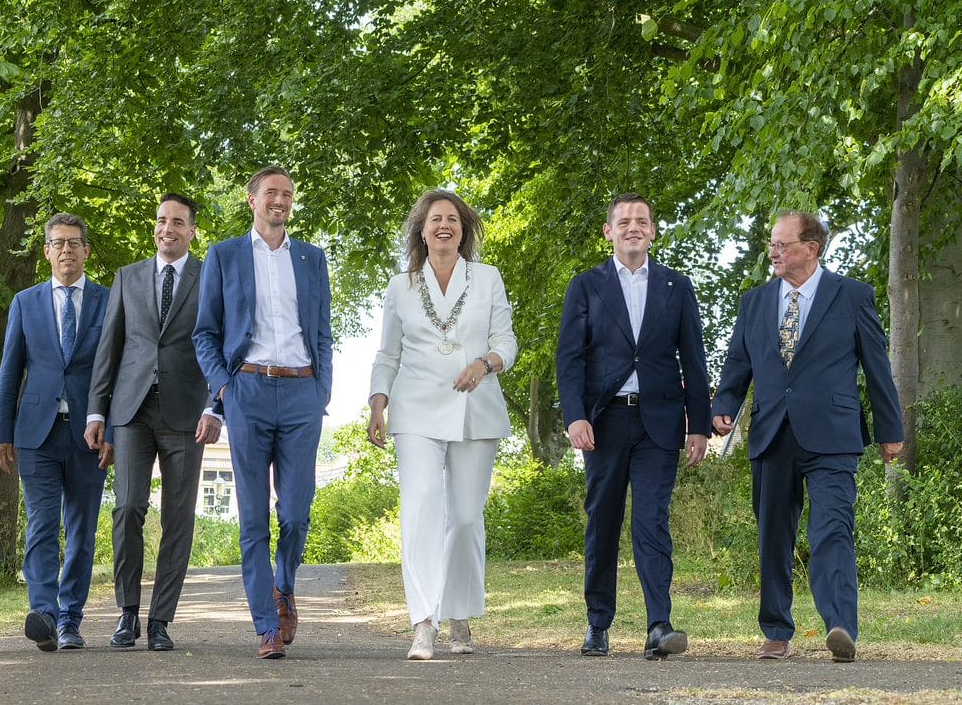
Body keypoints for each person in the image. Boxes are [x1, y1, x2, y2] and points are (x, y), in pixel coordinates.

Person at [712, 211, 903, 663]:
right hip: (772, 433)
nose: (773, 252)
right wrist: (723, 407)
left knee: (833, 529)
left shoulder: (852, 296)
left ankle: (840, 626)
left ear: (811, 248)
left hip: (833, 436)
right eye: (771, 244)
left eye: (782, 244)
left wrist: (889, 431)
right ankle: (776, 631)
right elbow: (738, 363)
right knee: (773, 534)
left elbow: (878, 368)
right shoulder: (754, 301)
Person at [555, 192, 710, 660]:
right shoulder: (586, 286)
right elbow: (570, 357)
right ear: (609, 232)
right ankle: (597, 624)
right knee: (603, 522)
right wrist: (575, 415)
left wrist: (698, 425)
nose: (633, 228)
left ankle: (659, 626)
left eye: (642, 221)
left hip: (661, 423)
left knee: (651, 523)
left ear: (653, 231)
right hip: (603, 422)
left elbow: (694, 359)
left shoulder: (676, 287)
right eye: (624, 222)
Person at [366, 190, 517, 661]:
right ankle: (423, 622)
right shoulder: (400, 286)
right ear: (422, 230)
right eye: (436, 219)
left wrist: (484, 364)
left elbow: (506, 342)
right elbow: (388, 353)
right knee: (423, 506)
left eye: (453, 219)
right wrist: (377, 403)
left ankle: (460, 616)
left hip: (476, 406)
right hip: (415, 410)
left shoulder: (488, 278)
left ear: (464, 229)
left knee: (467, 518)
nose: (444, 226)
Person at [193, 165, 333, 659]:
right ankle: (266, 625)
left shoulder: (312, 259)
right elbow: (204, 333)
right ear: (251, 199)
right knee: (252, 518)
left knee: (295, 513)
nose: (280, 200)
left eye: (288, 194)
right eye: (271, 192)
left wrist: (322, 392)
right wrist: (225, 389)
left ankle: (284, 585)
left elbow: (322, 333)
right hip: (247, 390)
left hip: (301, 394)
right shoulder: (225, 255)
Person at [86, 193, 223, 652]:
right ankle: (127, 614)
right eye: (162, 221)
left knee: (179, 516)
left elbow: (221, 348)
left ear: (192, 231)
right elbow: (110, 346)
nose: (168, 229)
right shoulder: (127, 277)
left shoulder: (211, 277)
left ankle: (161, 619)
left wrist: (214, 405)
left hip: (187, 414)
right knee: (128, 508)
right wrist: (96, 410)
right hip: (131, 411)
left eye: (178, 222)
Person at [0, 213, 111, 652]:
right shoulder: (25, 302)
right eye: (58, 243)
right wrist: (1, 433)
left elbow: (116, 371)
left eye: (74, 242)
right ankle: (43, 613)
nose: (66, 250)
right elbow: (10, 372)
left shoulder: (107, 301)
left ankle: (70, 619)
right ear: (46, 251)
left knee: (81, 530)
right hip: (36, 433)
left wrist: (113, 429)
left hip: (90, 434)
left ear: (86, 250)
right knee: (41, 525)